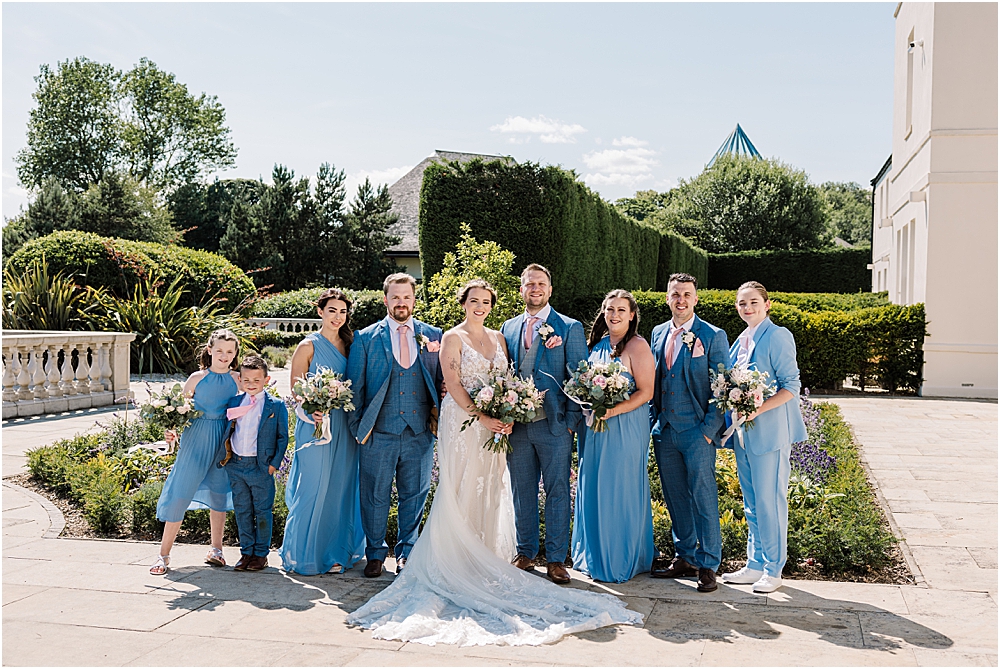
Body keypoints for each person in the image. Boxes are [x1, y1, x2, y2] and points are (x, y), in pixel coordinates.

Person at [347, 279, 641, 646]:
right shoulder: (451, 337)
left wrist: (507, 411)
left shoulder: (501, 337)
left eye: (486, 301)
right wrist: (481, 416)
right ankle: (454, 558)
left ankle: (489, 553)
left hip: (499, 427)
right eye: (474, 301)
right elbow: (452, 382)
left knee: (493, 488)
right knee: (461, 486)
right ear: (464, 303)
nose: (480, 306)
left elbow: (513, 379)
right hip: (465, 424)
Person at [346, 273, 443, 578]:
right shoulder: (366, 338)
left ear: (414, 300)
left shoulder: (433, 335)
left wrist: (437, 421)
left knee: (414, 495)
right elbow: (354, 388)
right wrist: (358, 429)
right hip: (378, 432)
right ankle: (375, 553)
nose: (401, 303)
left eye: (407, 297)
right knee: (374, 495)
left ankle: (407, 552)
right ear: (385, 299)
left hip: (419, 432)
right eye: (395, 297)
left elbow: (441, 380)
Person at [500, 264, 588, 584]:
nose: (535, 288)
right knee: (521, 491)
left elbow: (580, 377)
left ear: (550, 290)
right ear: (521, 289)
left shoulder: (569, 327)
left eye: (541, 283)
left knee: (557, 491)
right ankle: (526, 552)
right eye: (529, 284)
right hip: (517, 427)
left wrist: (569, 422)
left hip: (554, 425)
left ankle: (555, 559)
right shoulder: (508, 328)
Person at [720, 281, 807, 594]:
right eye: (742, 303)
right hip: (743, 435)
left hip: (769, 434)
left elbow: (791, 386)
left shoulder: (778, 336)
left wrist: (758, 409)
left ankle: (774, 568)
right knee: (752, 503)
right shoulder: (739, 341)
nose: (748, 308)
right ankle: (754, 564)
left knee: (770, 502)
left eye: (754, 302)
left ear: (767, 304)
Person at [648, 273, 729, 593]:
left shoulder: (712, 335)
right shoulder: (657, 333)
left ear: (696, 299)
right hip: (665, 431)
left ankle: (708, 563)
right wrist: (654, 420)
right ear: (667, 298)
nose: (680, 299)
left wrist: (709, 431)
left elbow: (723, 387)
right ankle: (685, 555)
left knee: (703, 496)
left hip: (697, 432)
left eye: (686, 294)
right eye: (674, 294)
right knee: (675, 496)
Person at [571, 290, 656, 583]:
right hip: (594, 428)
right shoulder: (595, 345)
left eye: (621, 310)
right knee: (594, 483)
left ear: (632, 315)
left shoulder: (638, 345)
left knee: (619, 486)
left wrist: (614, 410)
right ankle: (592, 554)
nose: (615, 315)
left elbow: (646, 392)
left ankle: (620, 558)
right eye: (610, 309)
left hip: (625, 427)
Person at [281, 289, 366, 575]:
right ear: (320, 312)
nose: (338, 317)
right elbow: (296, 388)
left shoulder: (352, 344)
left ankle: (337, 553)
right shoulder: (308, 346)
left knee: (340, 488)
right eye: (332, 310)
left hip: (344, 426)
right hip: (314, 425)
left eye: (342, 311)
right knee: (312, 487)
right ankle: (303, 553)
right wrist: (311, 409)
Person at [150, 329, 241, 575]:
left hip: (223, 440)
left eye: (230, 352)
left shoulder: (237, 379)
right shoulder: (197, 378)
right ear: (209, 350)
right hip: (196, 439)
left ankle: (216, 549)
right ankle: (163, 555)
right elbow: (177, 411)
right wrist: (171, 431)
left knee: (219, 492)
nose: (224, 355)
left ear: (235, 354)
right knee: (181, 490)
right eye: (219, 350)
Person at [217, 354, 288, 572]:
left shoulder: (275, 406)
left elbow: (282, 437)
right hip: (236, 465)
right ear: (240, 380)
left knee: (263, 510)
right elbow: (227, 429)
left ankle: (261, 554)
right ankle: (246, 552)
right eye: (246, 380)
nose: (251, 385)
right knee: (242, 509)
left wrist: (273, 464)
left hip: (261, 467)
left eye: (256, 380)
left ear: (266, 380)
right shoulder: (234, 402)